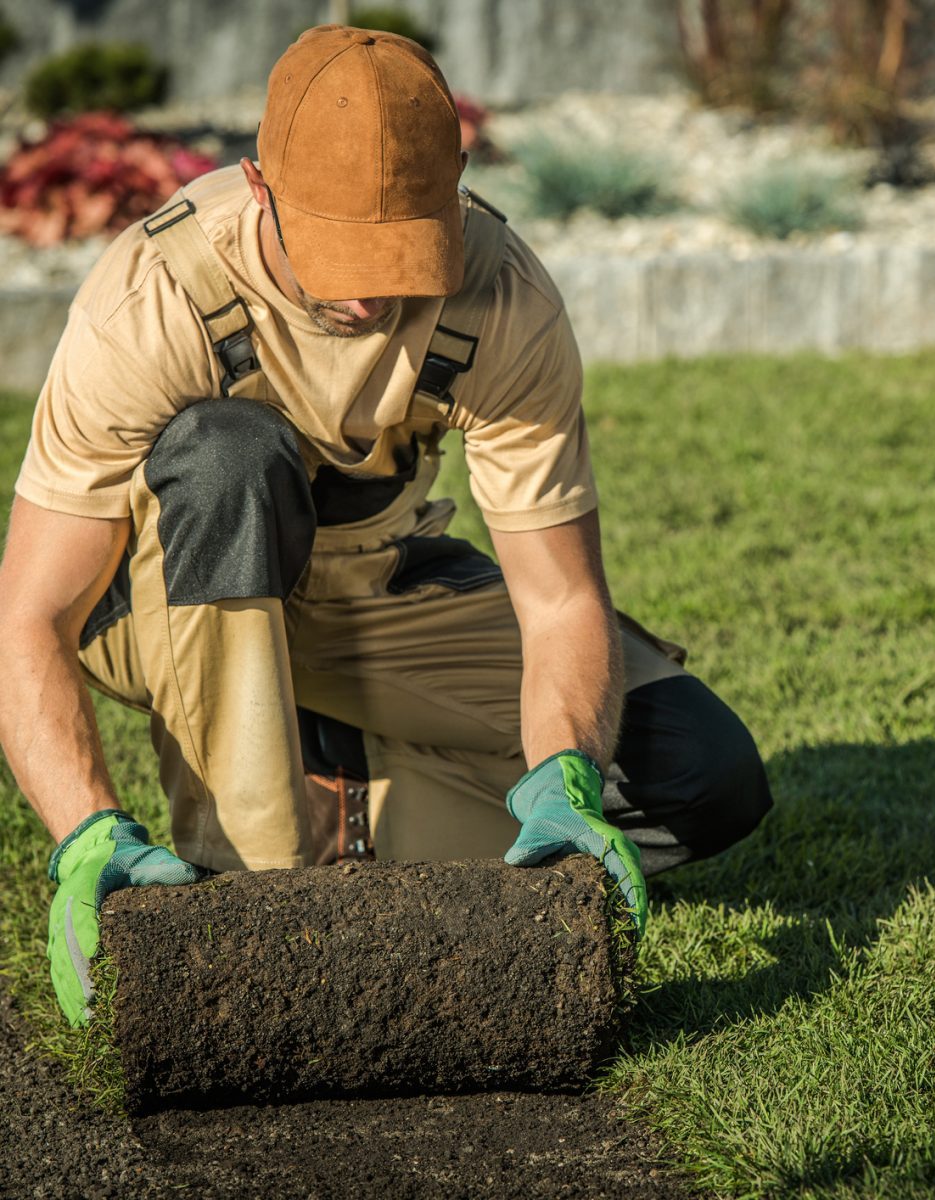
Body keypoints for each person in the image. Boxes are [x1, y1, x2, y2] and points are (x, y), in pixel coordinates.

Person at [0, 26, 772, 1026]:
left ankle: (344, 803)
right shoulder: (153, 300)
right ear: (260, 187)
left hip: (377, 590)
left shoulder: (501, 297)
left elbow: (561, 598)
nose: (368, 293)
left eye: (398, 253)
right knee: (230, 452)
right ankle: (246, 875)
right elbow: (29, 617)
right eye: (338, 254)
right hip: (170, 603)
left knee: (702, 776)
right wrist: (86, 834)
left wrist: (565, 774)